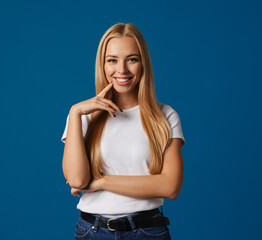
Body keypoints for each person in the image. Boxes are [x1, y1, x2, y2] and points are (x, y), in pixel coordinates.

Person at [60, 23, 185, 240]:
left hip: (147, 231)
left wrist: (101, 182)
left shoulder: (165, 116)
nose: (122, 70)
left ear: (143, 63)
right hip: (93, 231)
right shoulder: (83, 116)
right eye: (112, 60)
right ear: (103, 64)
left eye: (132, 59)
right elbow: (77, 180)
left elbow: (170, 186)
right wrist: (74, 112)